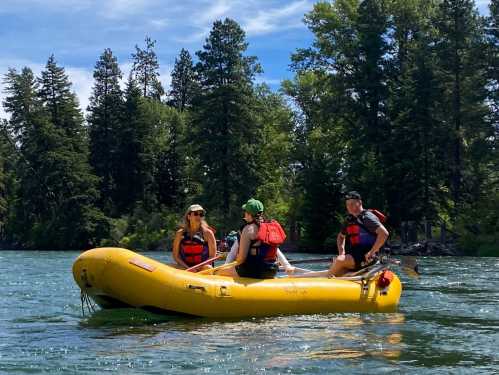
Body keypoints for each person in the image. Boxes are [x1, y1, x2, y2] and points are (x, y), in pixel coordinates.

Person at [289, 191, 389, 278]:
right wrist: (342, 252)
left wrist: (372, 252)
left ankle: (326, 279)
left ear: (360, 203)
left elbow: (384, 234)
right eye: (348, 205)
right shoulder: (349, 220)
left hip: (368, 258)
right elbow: (341, 237)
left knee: (340, 261)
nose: (350, 207)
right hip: (355, 255)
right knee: (338, 261)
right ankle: (332, 276)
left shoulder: (367, 217)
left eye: (353, 204)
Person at [217, 198, 287, 278]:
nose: (244, 214)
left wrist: (229, 266)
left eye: (245, 212)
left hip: (253, 271)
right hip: (271, 271)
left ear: (248, 214)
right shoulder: (269, 228)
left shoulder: (248, 229)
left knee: (219, 272)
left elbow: (241, 259)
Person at [172, 204, 217, 270]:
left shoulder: (208, 233)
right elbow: (176, 256)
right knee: (169, 266)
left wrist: (197, 268)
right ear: (189, 216)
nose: (198, 216)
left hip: (202, 268)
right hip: (185, 267)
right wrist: (188, 268)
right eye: (195, 214)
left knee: (208, 267)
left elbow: (212, 256)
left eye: (201, 214)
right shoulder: (180, 233)